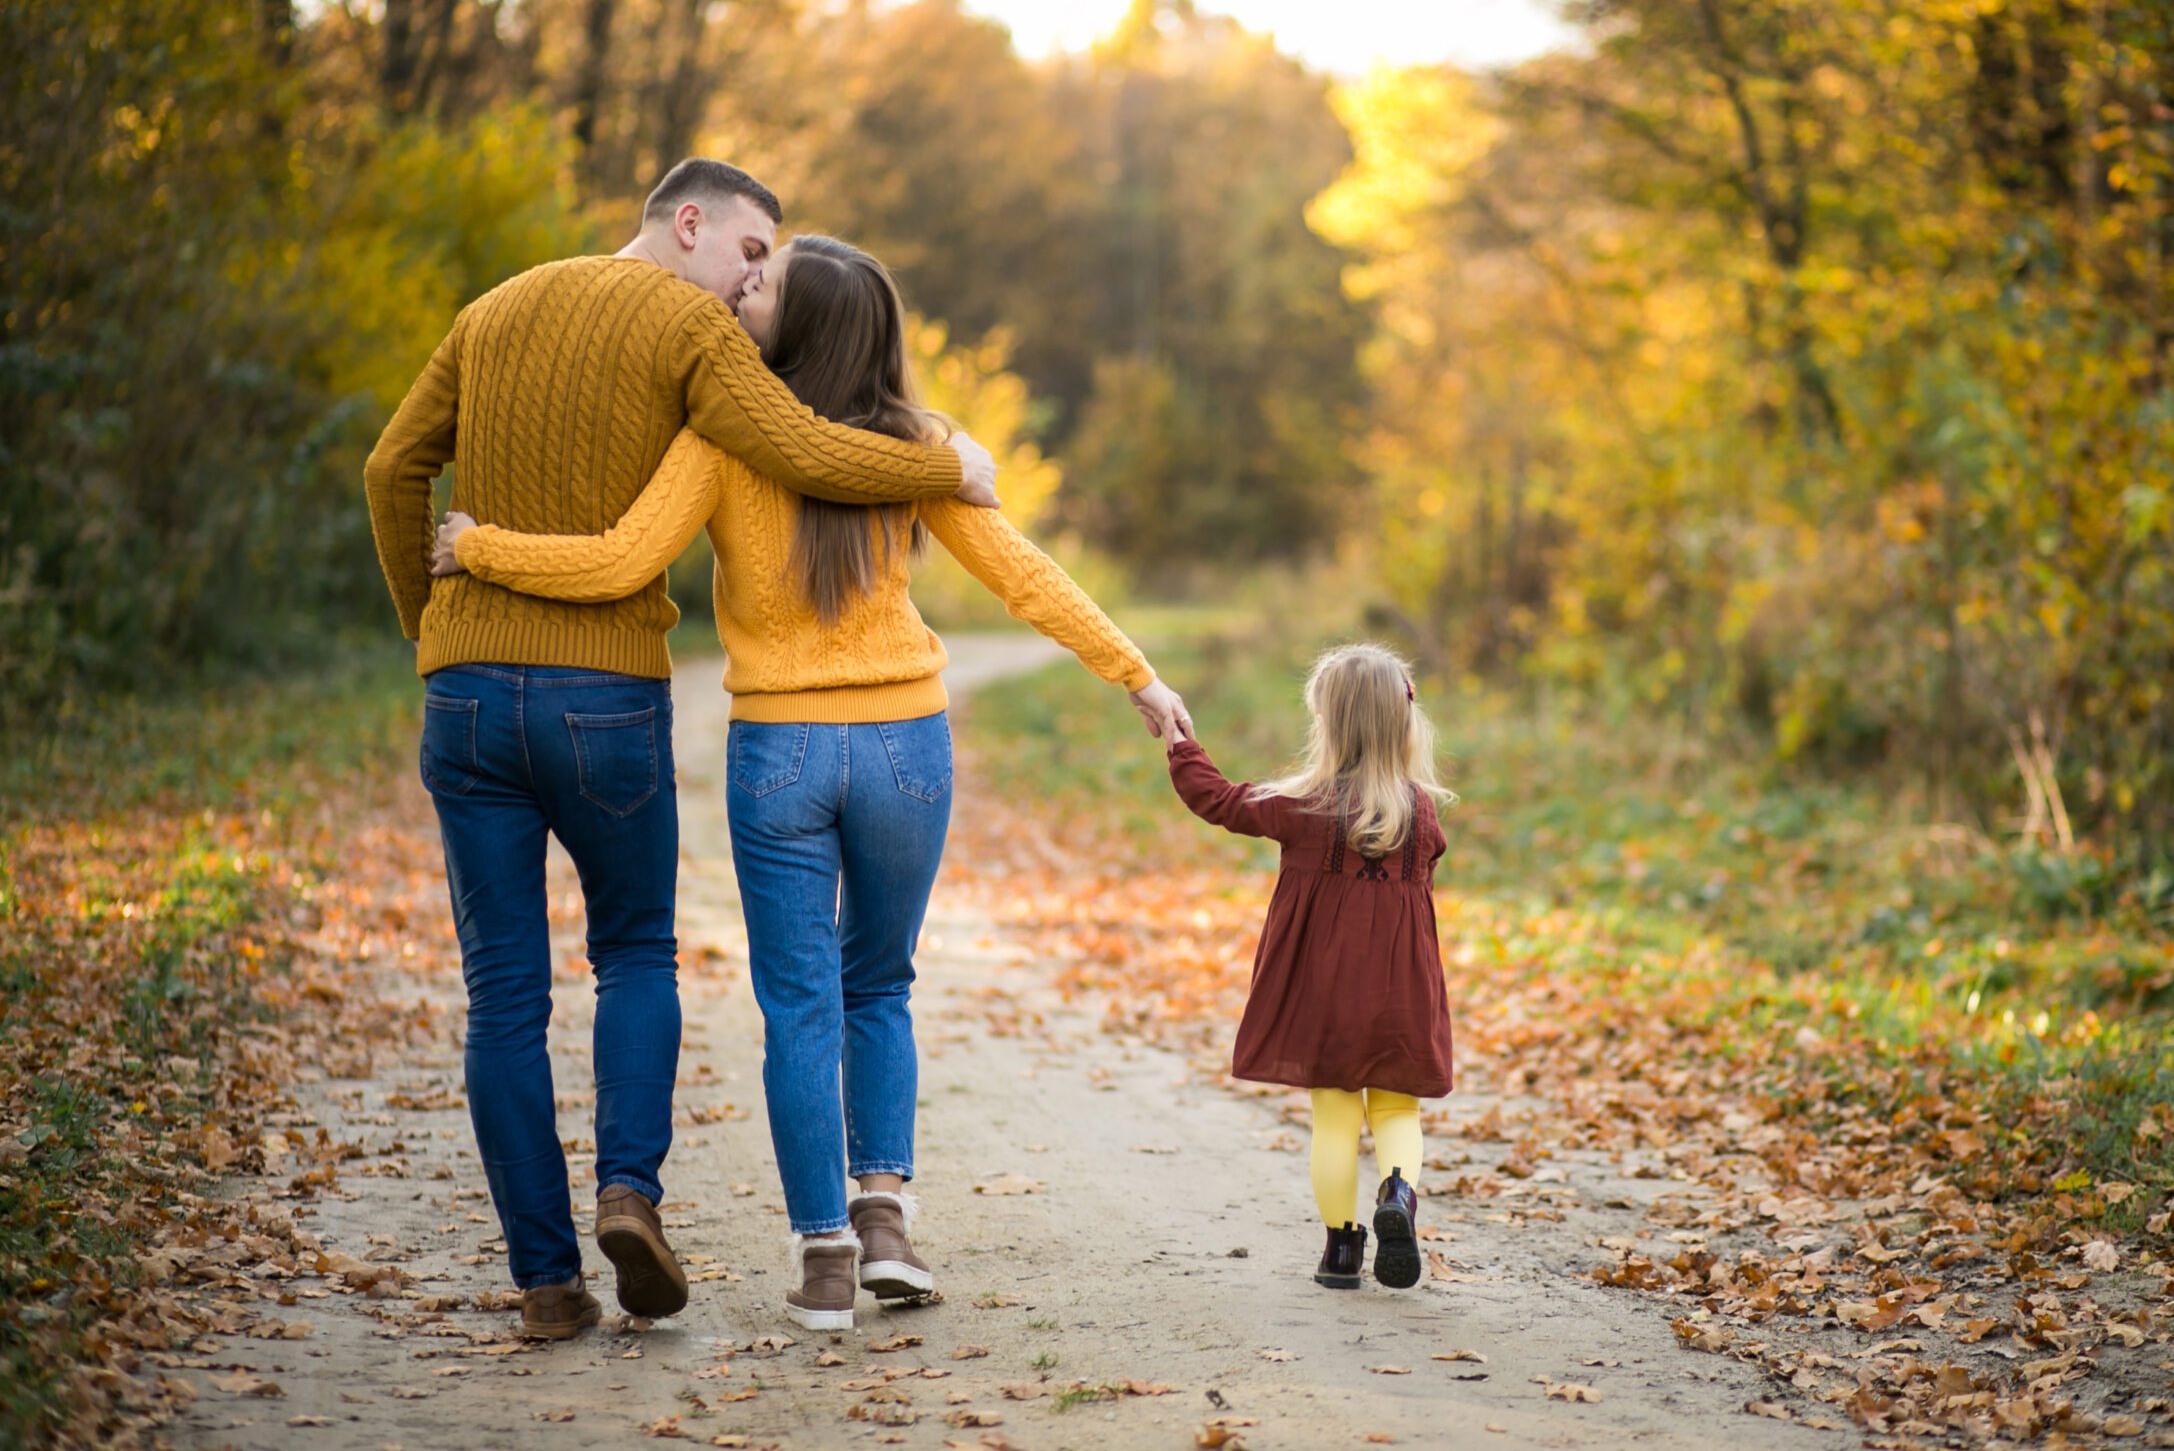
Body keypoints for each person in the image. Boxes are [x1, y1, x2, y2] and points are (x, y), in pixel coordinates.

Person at [430, 234, 1193, 1329]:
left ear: (804, 325)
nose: (744, 286)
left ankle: (825, 1259)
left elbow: (616, 562)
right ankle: (885, 1220)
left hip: (780, 751)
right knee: (878, 984)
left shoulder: (723, 442)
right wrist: (1137, 673)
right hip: (904, 748)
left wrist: (479, 545)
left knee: (801, 1007)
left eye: (765, 282)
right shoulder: (917, 447)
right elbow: (1022, 570)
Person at [362, 161, 1003, 1342]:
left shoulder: (489, 310)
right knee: (635, 953)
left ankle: (547, 1282)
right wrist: (945, 465)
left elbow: (391, 466)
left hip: (463, 693)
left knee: (501, 995)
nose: (756, 279)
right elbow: (810, 451)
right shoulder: (686, 326)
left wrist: (428, 629)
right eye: (752, 251)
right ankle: (629, 1193)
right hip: (603, 694)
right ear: (690, 222)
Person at [1161, 644, 1455, 1290]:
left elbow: (1220, 801)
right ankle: (1399, 1196)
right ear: (1404, 724)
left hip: (1326, 993)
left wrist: (1182, 744)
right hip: (1401, 994)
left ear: (1327, 724)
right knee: (1397, 1112)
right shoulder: (1423, 813)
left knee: (1335, 1118)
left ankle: (1342, 1251)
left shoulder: (1305, 806)